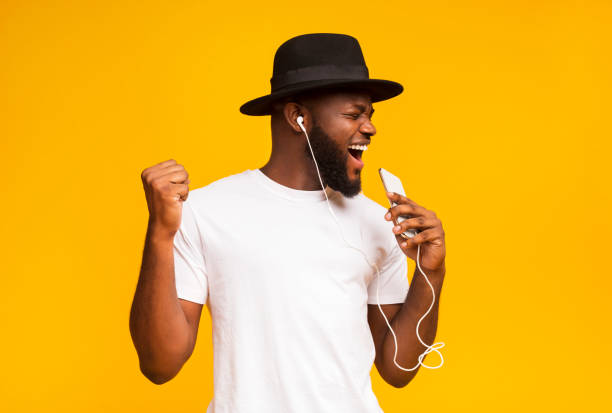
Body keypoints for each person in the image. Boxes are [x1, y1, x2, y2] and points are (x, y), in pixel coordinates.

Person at [129, 33, 447, 413]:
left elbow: (398, 369)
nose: (370, 128)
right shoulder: (206, 211)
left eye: (370, 115)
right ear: (298, 117)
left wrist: (432, 271)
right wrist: (160, 234)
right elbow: (159, 365)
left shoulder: (379, 223)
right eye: (353, 114)